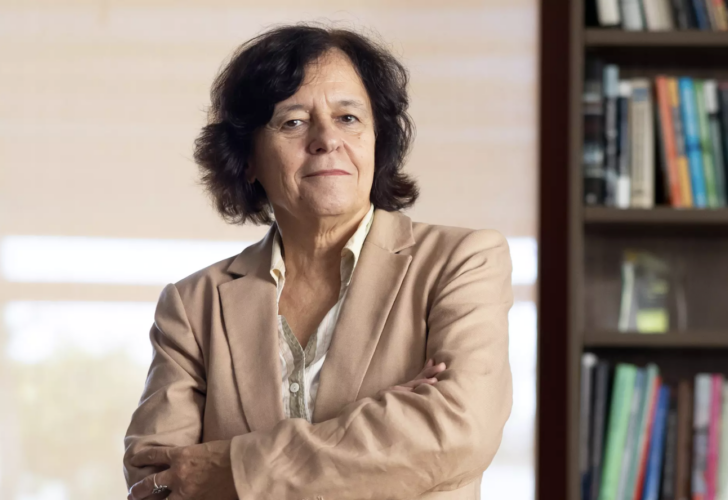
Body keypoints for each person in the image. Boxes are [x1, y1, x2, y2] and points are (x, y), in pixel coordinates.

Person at [123, 24, 513, 500]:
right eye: (292, 122)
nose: (327, 139)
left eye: (349, 118)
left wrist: (233, 468)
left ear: (378, 138)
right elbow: (158, 480)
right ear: (246, 158)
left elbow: (456, 432)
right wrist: (388, 427)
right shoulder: (193, 305)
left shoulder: (461, 263)